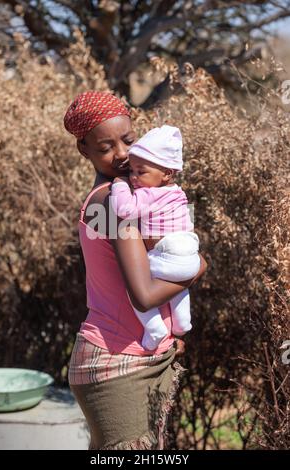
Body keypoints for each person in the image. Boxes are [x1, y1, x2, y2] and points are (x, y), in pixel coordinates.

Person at [64, 90, 207, 450]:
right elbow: (143, 295)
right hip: (117, 364)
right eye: (105, 147)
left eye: (128, 139)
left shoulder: (129, 193)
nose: (123, 153)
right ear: (84, 150)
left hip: (135, 356)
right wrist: (200, 266)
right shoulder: (113, 202)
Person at [110, 125, 201, 351]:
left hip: (168, 251)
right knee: (178, 285)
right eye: (131, 172)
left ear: (167, 173)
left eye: (141, 172)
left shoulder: (148, 193)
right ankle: (182, 324)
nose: (133, 178)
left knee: (135, 288)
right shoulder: (179, 193)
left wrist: (119, 185)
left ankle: (155, 329)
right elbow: (188, 222)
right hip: (191, 254)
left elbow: (124, 209)